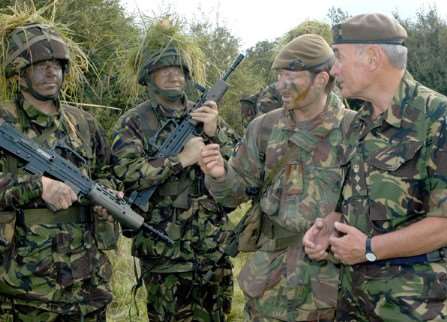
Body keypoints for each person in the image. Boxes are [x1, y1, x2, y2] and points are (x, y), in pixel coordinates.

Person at [303, 13, 447, 322]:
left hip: (414, 306)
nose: (333, 70)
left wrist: (370, 249)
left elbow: (446, 223)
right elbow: (355, 201)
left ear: (372, 57)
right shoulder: (358, 124)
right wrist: (329, 226)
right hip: (355, 302)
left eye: (338, 57)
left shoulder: (438, 119)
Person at [199, 34, 355, 322]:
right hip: (270, 285)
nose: (280, 84)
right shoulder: (264, 128)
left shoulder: (354, 130)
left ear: (321, 79)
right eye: (279, 75)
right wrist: (219, 175)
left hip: (334, 286)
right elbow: (234, 196)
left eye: (290, 76)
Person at [110, 39, 239, 320]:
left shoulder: (206, 115)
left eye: (179, 69)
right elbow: (125, 172)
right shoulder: (134, 122)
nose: (174, 75)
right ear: (149, 77)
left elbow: (239, 169)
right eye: (165, 69)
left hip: (211, 249)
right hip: (164, 250)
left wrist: (214, 131)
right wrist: (180, 159)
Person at [0, 22, 119, 321]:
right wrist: (37, 186)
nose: (50, 71)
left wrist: (108, 194)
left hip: (86, 284)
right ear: (20, 71)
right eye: (39, 64)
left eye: (56, 64)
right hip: (25, 287)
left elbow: (107, 171)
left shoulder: (84, 124)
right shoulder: (4, 121)